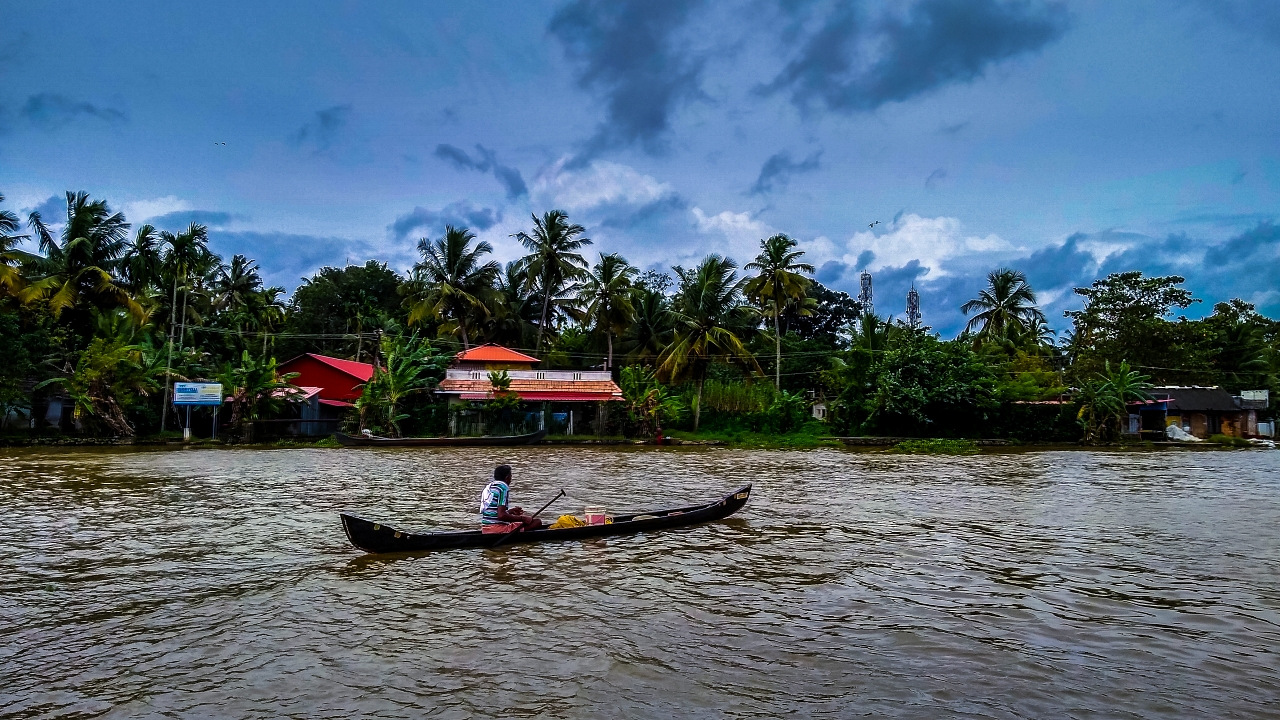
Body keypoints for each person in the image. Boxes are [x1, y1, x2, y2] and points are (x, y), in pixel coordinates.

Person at [479, 465, 543, 531]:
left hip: (485, 529)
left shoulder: (490, 487)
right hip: (497, 529)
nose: (511, 480)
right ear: (507, 477)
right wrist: (522, 518)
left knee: (518, 522)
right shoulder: (503, 488)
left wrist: (510, 512)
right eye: (511, 476)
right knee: (537, 522)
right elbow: (501, 516)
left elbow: (494, 514)